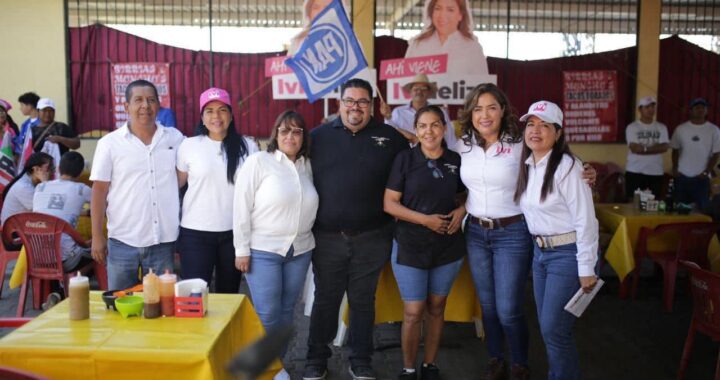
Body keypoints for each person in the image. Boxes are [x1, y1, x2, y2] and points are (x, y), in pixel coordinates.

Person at [456, 83, 595, 380]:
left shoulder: (519, 142)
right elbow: (427, 143)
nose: (485, 114)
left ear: (503, 110)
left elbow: (555, 156)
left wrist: (587, 170)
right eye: (478, 108)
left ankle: (519, 362)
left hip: (513, 232)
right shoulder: (462, 143)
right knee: (488, 305)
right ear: (470, 113)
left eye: (492, 107)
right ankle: (496, 358)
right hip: (477, 234)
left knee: (508, 307)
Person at [303, 78, 407, 380]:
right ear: (340, 104)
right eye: (350, 100)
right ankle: (315, 358)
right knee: (326, 299)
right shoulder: (317, 138)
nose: (355, 107)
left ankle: (360, 359)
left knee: (363, 301)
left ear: (372, 106)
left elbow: (413, 167)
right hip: (327, 238)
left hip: (373, 237)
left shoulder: (390, 138)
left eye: (363, 102)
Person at [514, 100, 599, 380]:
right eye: (531, 124)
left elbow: (586, 219)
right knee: (551, 328)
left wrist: (586, 267)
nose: (535, 131)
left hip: (567, 254)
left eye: (544, 126)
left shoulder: (568, 167)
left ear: (558, 133)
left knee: (554, 329)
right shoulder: (529, 164)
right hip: (541, 255)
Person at [234, 110, 318, 380]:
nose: (290, 136)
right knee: (267, 315)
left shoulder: (306, 165)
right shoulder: (259, 161)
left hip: (300, 250)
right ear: (275, 134)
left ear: (303, 136)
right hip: (263, 251)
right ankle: (262, 369)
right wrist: (242, 250)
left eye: (296, 131)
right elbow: (241, 207)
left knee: (285, 314)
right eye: (285, 131)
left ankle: (276, 366)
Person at [383, 105, 466, 380]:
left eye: (434, 125)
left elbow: (468, 195)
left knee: (437, 307)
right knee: (413, 310)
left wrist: (461, 211)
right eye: (422, 126)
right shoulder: (404, 159)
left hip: (447, 246)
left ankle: (430, 365)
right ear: (416, 130)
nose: (428, 131)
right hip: (411, 244)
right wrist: (424, 220)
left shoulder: (456, 159)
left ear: (444, 129)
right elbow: (390, 204)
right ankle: (408, 368)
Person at [90, 79, 185, 290]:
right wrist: (97, 236)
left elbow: (187, 173)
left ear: (158, 105)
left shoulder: (175, 139)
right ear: (126, 106)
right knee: (120, 305)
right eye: (138, 100)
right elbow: (99, 192)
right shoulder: (109, 144)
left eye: (151, 100)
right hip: (122, 241)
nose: (145, 106)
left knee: (162, 307)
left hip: (162, 241)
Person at [176, 87, 257, 293]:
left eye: (222, 110)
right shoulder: (189, 146)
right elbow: (175, 186)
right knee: (194, 295)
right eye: (209, 111)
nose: (216, 116)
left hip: (234, 234)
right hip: (195, 234)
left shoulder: (248, 147)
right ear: (202, 117)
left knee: (228, 295)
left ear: (231, 115)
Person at [33, 152, 93, 272]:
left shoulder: (40, 187)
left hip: (36, 257)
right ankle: (73, 282)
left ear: (59, 169)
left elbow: (56, 210)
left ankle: (61, 285)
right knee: (101, 250)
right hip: (65, 261)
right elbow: (105, 206)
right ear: (81, 173)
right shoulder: (82, 189)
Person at [405, 0, 488, 76]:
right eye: (437, 8)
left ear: (460, 15)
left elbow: (482, 87)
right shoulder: (417, 45)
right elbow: (404, 81)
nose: (442, 15)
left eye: (450, 10)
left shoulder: (473, 48)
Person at [379, 73, 457, 150]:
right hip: (405, 157)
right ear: (410, 91)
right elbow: (389, 134)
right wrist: (388, 117)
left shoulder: (440, 112)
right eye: (416, 89)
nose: (419, 92)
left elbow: (450, 140)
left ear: (429, 93)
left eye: (423, 89)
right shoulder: (398, 112)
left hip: (432, 158)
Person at [670, 97, 720, 211]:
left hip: (702, 178)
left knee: (703, 211)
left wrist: (707, 171)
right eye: (697, 107)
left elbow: (716, 153)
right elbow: (675, 150)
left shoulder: (714, 130)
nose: (701, 110)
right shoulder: (681, 129)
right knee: (679, 210)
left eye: (703, 107)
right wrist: (675, 168)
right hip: (682, 177)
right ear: (690, 110)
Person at [624, 96, 669, 198]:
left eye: (652, 107)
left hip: (655, 171)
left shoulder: (661, 127)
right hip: (635, 171)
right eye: (647, 107)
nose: (650, 110)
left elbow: (664, 147)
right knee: (633, 202)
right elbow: (635, 148)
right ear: (640, 109)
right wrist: (655, 148)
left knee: (653, 203)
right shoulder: (632, 127)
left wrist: (643, 149)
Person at [0, 152, 54, 224]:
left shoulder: (32, 182)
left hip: (23, 226)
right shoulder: (23, 187)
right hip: (13, 231)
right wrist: (45, 183)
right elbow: (45, 209)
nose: (52, 171)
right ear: (36, 169)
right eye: (49, 168)